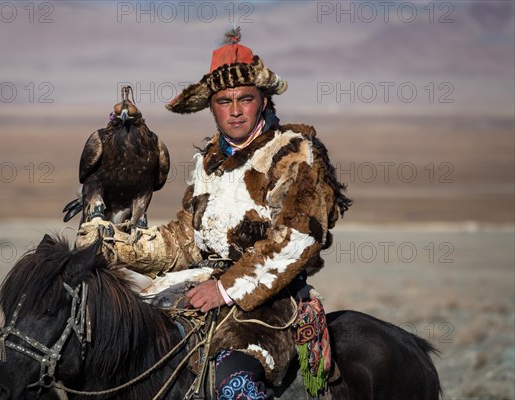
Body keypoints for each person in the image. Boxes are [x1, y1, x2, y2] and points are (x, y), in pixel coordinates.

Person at [77, 28, 351, 399]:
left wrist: (225, 288)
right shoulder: (210, 161)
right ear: (211, 106)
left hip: (268, 302)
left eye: (245, 99)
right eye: (224, 101)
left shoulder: (295, 154)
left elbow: (297, 239)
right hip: (199, 287)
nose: (235, 111)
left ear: (264, 101)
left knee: (234, 385)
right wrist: (117, 244)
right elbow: (185, 240)